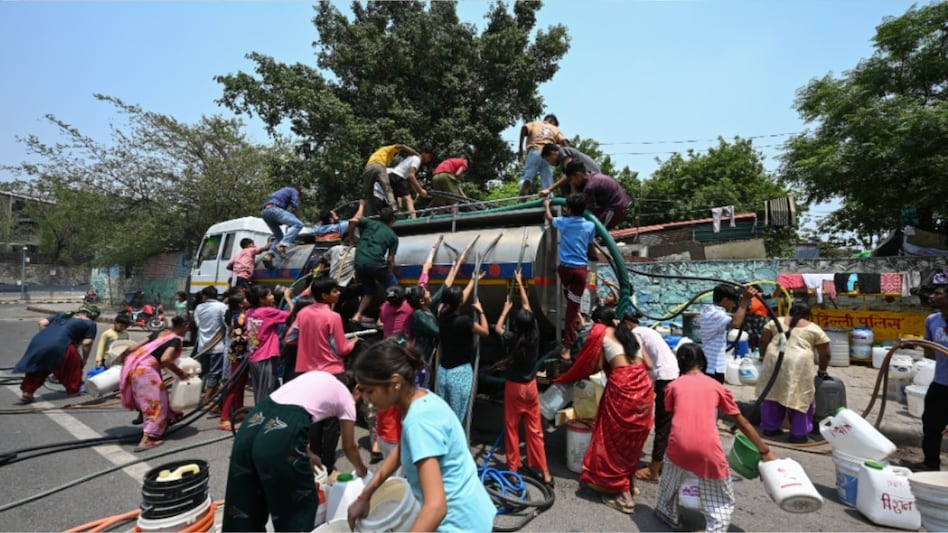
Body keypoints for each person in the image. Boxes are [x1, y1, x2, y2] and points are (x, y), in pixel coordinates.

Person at [348, 339, 496, 532]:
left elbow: (436, 507)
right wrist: (366, 495)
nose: (366, 399)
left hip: (459, 525)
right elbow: (403, 449)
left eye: (370, 391)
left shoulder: (418, 422)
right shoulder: (423, 398)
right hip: (473, 512)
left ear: (395, 383)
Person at [222, 370, 368, 532]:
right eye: (362, 395)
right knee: (299, 506)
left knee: (244, 504)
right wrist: (362, 470)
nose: (358, 400)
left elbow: (289, 413)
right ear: (356, 389)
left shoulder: (319, 377)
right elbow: (349, 447)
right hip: (280, 432)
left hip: (253, 422)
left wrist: (307, 453)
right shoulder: (346, 398)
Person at [655, 343, 777, 532]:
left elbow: (672, 414)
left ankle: (668, 513)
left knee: (669, 480)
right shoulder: (717, 387)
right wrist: (765, 451)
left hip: (678, 445)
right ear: (703, 362)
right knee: (720, 498)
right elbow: (742, 422)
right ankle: (716, 528)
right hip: (708, 449)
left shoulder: (672, 386)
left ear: (680, 363)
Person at [580, 312, 654, 515]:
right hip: (644, 388)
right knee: (633, 439)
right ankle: (629, 483)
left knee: (615, 441)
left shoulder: (602, 336)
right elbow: (649, 365)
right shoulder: (634, 335)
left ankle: (624, 496)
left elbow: (595, 367)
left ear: (597, 324)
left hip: (622, 386)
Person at [291, 277, 359, 476]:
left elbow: (290, 337)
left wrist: (309, 344)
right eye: (335, 291)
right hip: (331, 373)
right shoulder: (333, 316)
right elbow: (342, 348)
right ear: (324, 295)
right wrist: (354, 342)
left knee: (314, 417)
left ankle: (315, 458)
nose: (338, 294)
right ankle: (328, 465)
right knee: (332, 423)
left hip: (307, 373)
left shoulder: (303, 313)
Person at [494, 271, 554, 487]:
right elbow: (528, 308)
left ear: (517, 325)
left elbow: (498, 328)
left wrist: (505, 311)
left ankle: (512, 471)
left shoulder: (512, 339)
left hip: (514, 388)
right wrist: (521, 284)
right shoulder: (534, 335)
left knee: (511, 428)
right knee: (535, 429)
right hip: (530, 387)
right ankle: (545, 472)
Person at [755, 301, 831, 444]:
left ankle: (770, 428)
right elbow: (825, 353)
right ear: (808, 315)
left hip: (774, 360)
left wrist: (762, 355)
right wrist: (822, 370)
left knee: (772, 392)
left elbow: (763, 340)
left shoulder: (775, 321)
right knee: (800, 395)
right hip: (798, 363)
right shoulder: (814, 328)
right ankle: (798, 434)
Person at [116, 316, 191, 451]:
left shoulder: (159, 333)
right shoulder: (175, 340)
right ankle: (148, 439)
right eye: (188, 327)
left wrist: (121, 358)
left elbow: (134, 347)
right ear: (184, 326)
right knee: (156, 403)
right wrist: (181, 373)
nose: (188, 330)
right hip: (147, 372)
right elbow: (166, 359)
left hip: (134, 367)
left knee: (146, 398)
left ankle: (151, 418)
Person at [623, 312, 680, 483]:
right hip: (673, 374)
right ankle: (664, 463)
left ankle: (653, 470)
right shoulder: (648, 331)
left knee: (662, 424)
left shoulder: (636, 335)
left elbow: (640, 362)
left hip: (665, 378)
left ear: (627, 324)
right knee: (669, 424)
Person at [544, 193, 596, 361]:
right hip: (580, 271)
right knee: (572, 305)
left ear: (570, 209)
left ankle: (570, 339)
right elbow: (590, 245)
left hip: (564, 270)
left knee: (571, 302)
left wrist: (546, 205)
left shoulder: (564, 223)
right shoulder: (590, 226)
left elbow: (550, 218)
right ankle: (574, 330)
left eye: (566, 207)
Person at [14, 304, 100, 403]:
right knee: (73, 367)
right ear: (93, 316)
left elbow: (42, 323)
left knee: (38, 366)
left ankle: (27, 392)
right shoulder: (90, 324)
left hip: (40, 342)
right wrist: (84, 359)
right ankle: (74, 391)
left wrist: (48, 338)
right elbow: (87, 343)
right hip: (62, 345)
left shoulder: (63, 314)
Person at [906, 284, 948, 471]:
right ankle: (931, 464)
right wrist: (913, 344)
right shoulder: (932, 320)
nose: (931, 296)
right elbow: (931, 351)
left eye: (937, 294)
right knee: (931, 424)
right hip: (940, 382)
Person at [436, 283, 489, 424]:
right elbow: (485, 331)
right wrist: (481, 311)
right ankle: (455, 445)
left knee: (443, 416)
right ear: (459, 303)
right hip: (459, 374)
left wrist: (472, 281)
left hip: (443, 373)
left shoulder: (441, 316)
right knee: (456, 420)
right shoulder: (465, 322)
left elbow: (455, 302)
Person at [348, 207, 399, 327]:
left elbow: (352, 221)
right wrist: (389, 274)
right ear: (393, 219)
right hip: (376, 263)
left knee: (369, 291)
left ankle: (357, 315)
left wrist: (351, 239)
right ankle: (381, 319)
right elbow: (390, 260)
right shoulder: (393, 237)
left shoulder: (370, 223)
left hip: (359, 263)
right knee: (394, 289)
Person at [699, 284, 758, 383]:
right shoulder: (716, 314)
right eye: (733, 302)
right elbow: (736, 323)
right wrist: (745, 301)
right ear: (725, 300)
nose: (734, 305)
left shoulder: (708, 311)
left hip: (710, 363)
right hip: (713, 366)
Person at [245, 284, 294, 402]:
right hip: (266, 356)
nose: (272, 297)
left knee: (259, 390)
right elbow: (293, 315)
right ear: (261, 299)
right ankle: (263, 416)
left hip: (254, 356)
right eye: (270, 295)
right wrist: (288, 298)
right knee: (267, 391)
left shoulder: (250, 311)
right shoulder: (267, 312)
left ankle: (258, 415)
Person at [356, 143, 420, 218]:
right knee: (387, 189)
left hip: (368, 168)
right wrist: (416, 153)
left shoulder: (376, 154)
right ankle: (394, 209)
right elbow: (402, 146)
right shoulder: (387, 149)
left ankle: (369, 215)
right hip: (379, 166)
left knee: (367, 193)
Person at [563, 161, 631, 229]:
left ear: (578, 175)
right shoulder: (592, 175)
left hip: (616, 208)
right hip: (617, 203)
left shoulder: (590, 186)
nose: (572, 182)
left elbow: (586, 209)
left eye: (572, 179)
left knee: (597, 229)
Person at [193, 286, 229, 411]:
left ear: (204, 296)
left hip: (202, 346)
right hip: (217, 347)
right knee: (214, 373)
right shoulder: (222, 307)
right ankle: (206, 400)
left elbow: (198, 324)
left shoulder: (199, 308)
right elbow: (227, 324)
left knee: (202, 372)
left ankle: (199, 397)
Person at [218, 292, 250, 432]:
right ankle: (224, 417)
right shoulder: (240, 317)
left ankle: (239, 411)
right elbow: (238, 336)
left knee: (240, 384)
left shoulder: (239, 315)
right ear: (240, 304)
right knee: (234, 386)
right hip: (239, 354)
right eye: (245, 299)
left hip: (237, 353)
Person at [518, 113, 569, 197]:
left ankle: (525, 182)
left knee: (529, 172)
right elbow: (564, 141)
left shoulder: (535, 124)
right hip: (549, 155)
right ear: (552, 121)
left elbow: (524, 128)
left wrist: (520, 148)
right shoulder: (555, 129)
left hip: (535, 150)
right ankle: (549, 196)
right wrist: (569, 156)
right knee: (547, 179)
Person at [388, 145, 435, 217]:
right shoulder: (417, 159)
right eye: (430, 156)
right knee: (408, 200)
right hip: (398, 176)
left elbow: (410, 180)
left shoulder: (411, 158)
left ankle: (397, 219)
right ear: (424, 153)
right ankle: (414, 221)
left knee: (396, 202)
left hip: (392, 176)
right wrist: (421, 190)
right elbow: (411, 176)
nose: (430, 159)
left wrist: (416, 191)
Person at [260, 186, 304, 262]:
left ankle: (269, 255)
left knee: (279, 236)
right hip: (273, 209)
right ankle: (282, 245)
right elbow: (295, 204)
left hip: (264, 212)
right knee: (299, 224)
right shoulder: (293, 190)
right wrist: (297, 217)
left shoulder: (280, 192)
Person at [279, 295, 314, 384]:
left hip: (291, 367)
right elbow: (289, 339)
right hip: (298, 369)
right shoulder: (299, 326)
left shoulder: (292, 322)